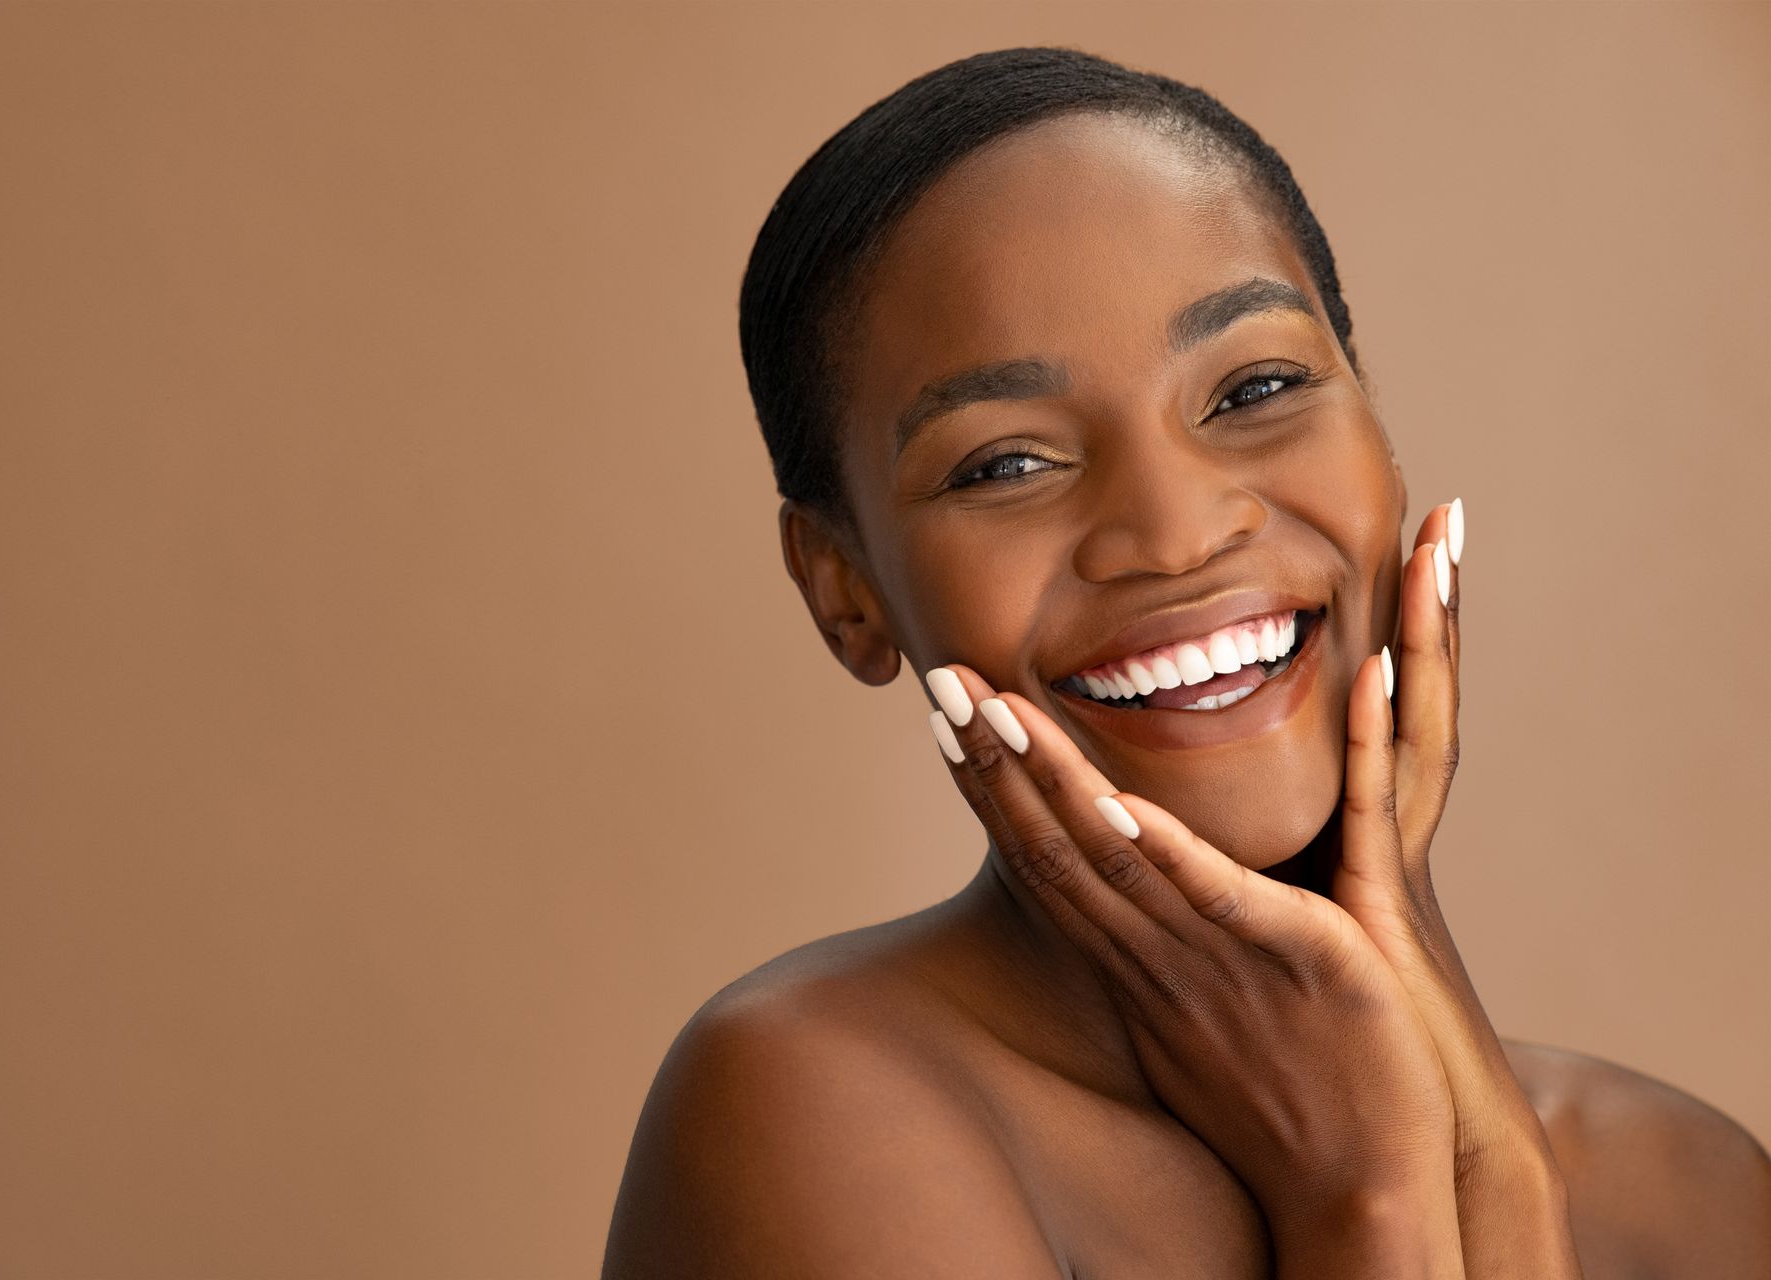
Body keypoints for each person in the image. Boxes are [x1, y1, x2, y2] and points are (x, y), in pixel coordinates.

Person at [601, 47, 1771, 1277]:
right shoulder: (810, 1107)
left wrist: (1495, 1167)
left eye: (1257, 385)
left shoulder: (1684, 1185)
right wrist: (1367, 1197)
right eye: (1005, 462)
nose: (1176, 531)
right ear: (843, 588)